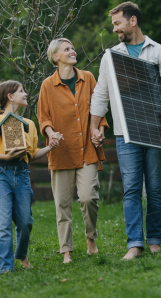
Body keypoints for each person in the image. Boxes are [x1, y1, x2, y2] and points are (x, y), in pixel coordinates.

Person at [89, 1, 161, 260]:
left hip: (156, 131)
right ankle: (135, 244)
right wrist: (93, 126)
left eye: (117, 23)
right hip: (125, 135)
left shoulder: (159, 53)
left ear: (133, 21)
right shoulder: (111, 56)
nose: (114, 29)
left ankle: (154, 240)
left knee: (155, 188)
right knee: (131, 188)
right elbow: (101, 93)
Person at [37, 38, 109, 264]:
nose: (72, 51)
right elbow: (44, 116)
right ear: (55, 57)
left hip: (87, 148)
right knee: (63, 204)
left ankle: (90, 238)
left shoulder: (87, 78)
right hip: (61, 152)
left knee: (88, 197)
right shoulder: (47, 85)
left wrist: (98, 130)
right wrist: (50, 133)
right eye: (66, 49)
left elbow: (98, 107)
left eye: (73, 48)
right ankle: (66, 249)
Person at [0, 80, 57, 273]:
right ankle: (6, 269)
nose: (25, 94)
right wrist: (6, 156)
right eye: (21, 91)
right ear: (10, 96)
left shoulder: (29, 125)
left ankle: (21, 254)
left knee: (25, 221)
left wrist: (50, 147)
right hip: (1, 174)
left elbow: (30, 155)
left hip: (22, 175)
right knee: (2, 224)